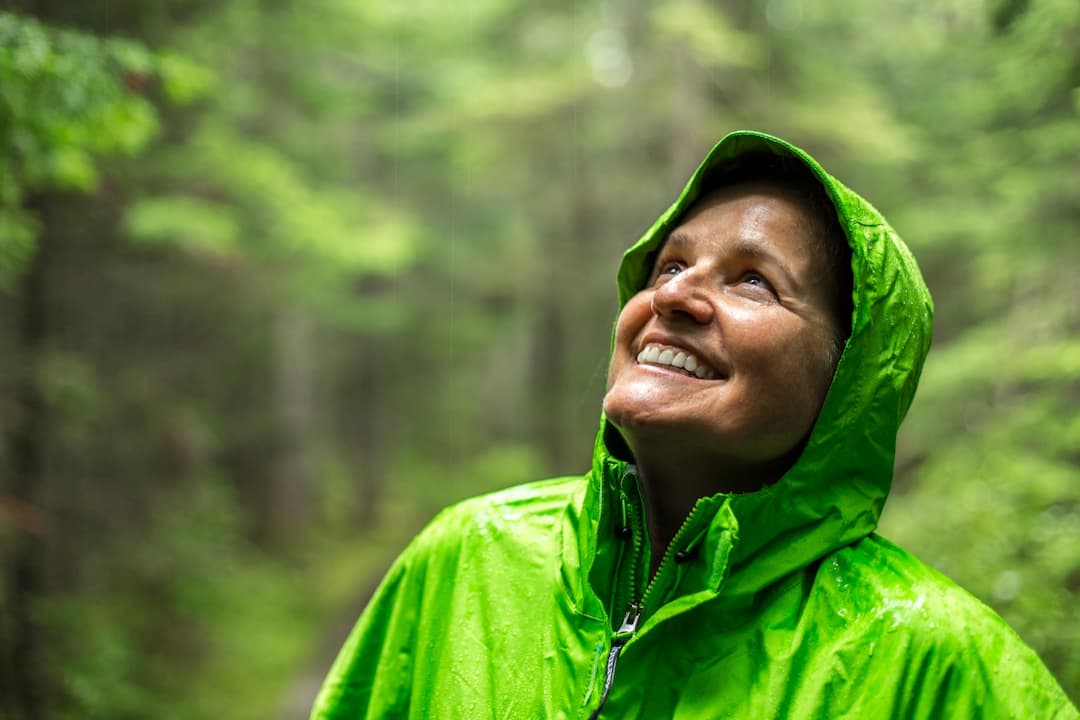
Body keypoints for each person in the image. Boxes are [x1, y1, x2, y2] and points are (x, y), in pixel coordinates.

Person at [311, 131, 1077, 718]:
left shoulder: (937, 660)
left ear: (848, 382)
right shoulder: (465, 558)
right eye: (670, 267)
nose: (674, 297)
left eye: (753, 281)